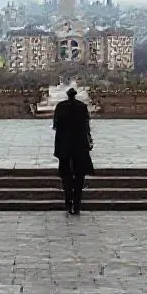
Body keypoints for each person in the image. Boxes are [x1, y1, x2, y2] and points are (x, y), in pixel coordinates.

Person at [52, 87, 94, 215]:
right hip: (80, 144)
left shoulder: (61, 106)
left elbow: (55, 125)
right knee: (80, 175)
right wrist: (89, 139)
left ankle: (68, 202)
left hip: (64, 145)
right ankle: (77, 204)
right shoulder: (82, 106)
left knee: (66, 175)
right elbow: (86, 126)